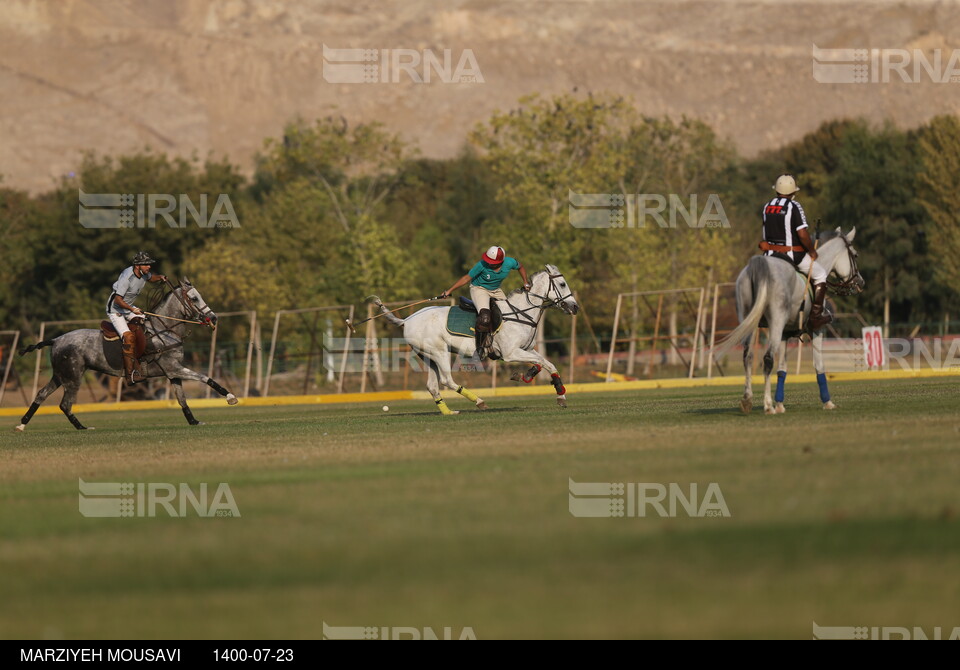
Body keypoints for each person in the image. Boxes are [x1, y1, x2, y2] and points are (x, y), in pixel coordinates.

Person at [760, 175, 832, 330]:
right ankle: (816, 317)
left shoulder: (767, 206)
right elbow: (802, 234)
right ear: (793, 192)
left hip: (769, 256)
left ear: (777, 191)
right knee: (820, 275)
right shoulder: (794, 206)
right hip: (791, 256)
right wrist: (812, 251)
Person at [441, 245, 530, 359]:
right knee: (485, 317)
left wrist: (525, 282)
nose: (488, 263)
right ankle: (480, 347)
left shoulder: (509, 262)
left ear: (500, 262)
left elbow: (520, 267)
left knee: (508, 314)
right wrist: (449, 290)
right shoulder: (481, 265)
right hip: (479, 289)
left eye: (491, 262)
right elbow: (466, 278)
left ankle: (503, 343)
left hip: (496, 290)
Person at [106, 251, 167, 383]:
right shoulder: (127, 278)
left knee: (146, 324)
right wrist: (132, 309)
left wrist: (160, 277)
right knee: (128, 337)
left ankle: (141, 359)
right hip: (116, 310)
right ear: (137, 265)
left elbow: (151, 278)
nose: (149, 266)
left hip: (127, 308)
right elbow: (117, 300)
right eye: (146, 264)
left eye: (149, 264)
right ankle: (130, 375)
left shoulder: (143, 274)